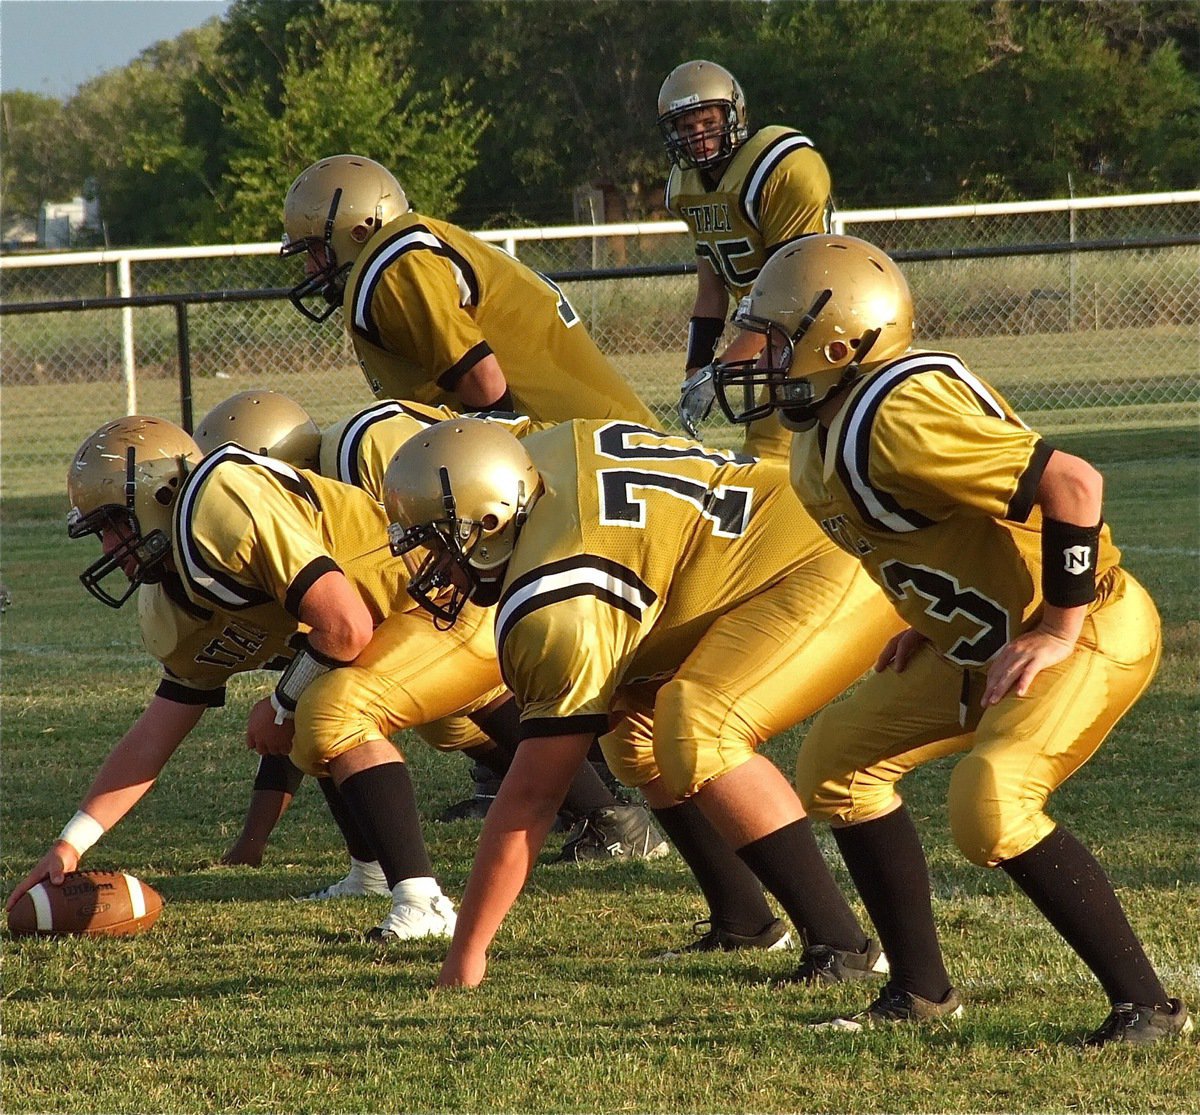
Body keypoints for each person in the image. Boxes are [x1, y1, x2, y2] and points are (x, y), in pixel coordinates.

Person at [708, 233, 1192, 1045]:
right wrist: (920, 621)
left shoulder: (893, 417)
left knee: (991, 805)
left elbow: (1076, 483)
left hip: (1087, 622)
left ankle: (1147, 1006)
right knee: (837, 764)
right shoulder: (824, 431)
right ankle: (920, 990)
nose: (754, 355)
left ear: (838, 345)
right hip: (976, 642)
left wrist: (1061, 626)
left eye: (777, 338)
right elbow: (923, 539)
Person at [382, 414, 906, 987]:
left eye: (439, 545)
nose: (433, 569)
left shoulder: (557, 601)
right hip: (747, 546)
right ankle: (744, 919)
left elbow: (533, 797)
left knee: (702, 730)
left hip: (821, 560)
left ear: (491, 520)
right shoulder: (532, 460)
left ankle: (843, 946)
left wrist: (467, 953)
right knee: (633, 735)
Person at [4, 415, 521, 942]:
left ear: (158, 495)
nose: (109, 548)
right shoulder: (171, 604)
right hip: (405, 618)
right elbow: (153, 737)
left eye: (113, 525)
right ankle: (372, 873)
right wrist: (70, 844)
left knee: (327, 707)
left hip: (452, 597)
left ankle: (422, 900)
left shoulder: (218, 507)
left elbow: (344, 628)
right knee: (318, 697)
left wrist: (280, 703)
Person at [193, 390, 667, 870]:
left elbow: (480, 521)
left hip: (546, 532)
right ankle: (587, 804)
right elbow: (310, 674)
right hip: (500, 551)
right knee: (442, 710)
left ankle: (600, 806)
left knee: (379, 693)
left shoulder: (368, 453)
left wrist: (284, 706)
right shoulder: (327, 495)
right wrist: (253, 835)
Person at [280, 154, 657, 426]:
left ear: (359, 232)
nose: (312, 268)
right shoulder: (422, 244)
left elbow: (485, 384)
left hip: (586, 458)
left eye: (316, 250)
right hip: (610, 442)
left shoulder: (393, 263)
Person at [655, 59, 832, 459]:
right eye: (686, 127)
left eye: (707, 122)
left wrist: (721, 369)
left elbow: (793, 291)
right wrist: (695, 371)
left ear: (732, 115)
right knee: (769, 460)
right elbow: (710, 291)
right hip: (766, 340)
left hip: (815, 329)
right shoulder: (688, 189)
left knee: (777, 463)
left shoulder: (779, 170)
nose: (698, 135)